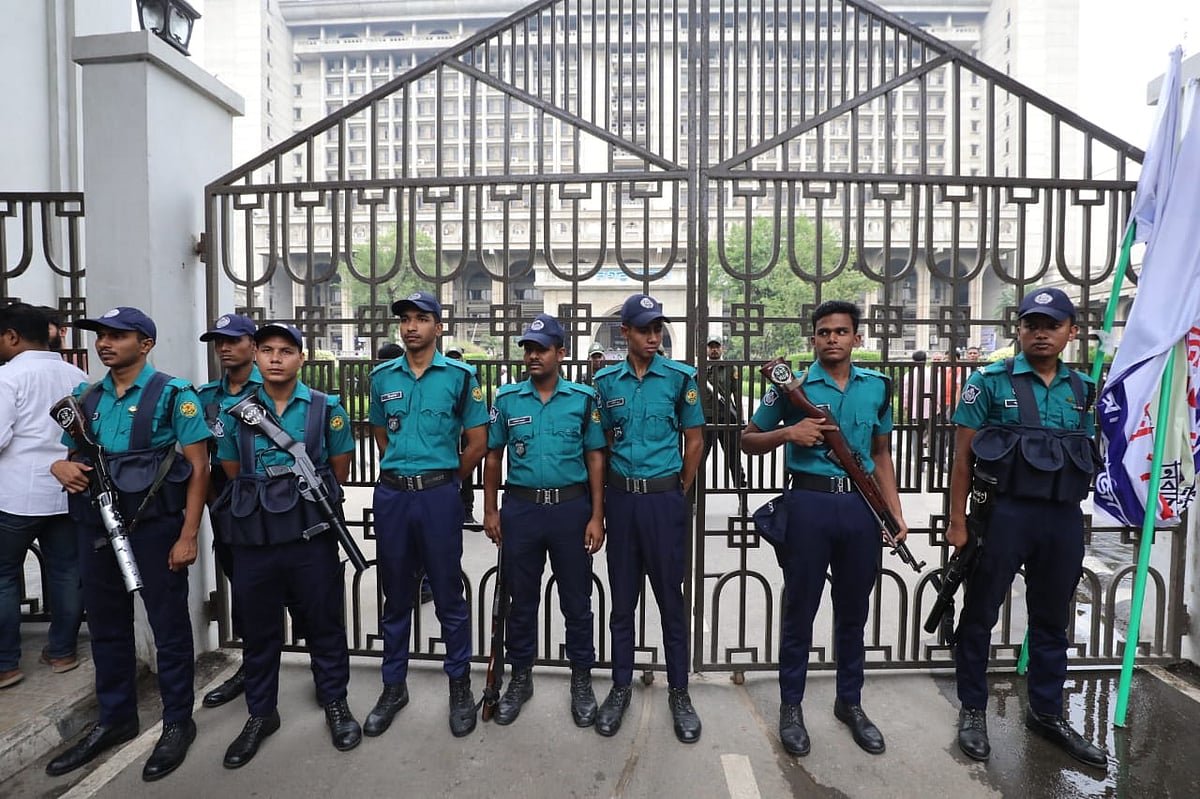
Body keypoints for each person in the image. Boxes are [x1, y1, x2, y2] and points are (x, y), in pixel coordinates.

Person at [46, 306, 210, 782]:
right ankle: (116, 718)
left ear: (145, 344)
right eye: (101, 335)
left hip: (156, 527)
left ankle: (178, 720)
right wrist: (61, 466)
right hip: (96, 526)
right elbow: (71, 454)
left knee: (169, 629)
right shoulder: (86, 396)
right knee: (106, 627)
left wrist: (188, 536)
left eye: (118, 335)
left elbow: (198, 468)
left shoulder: (174, 395)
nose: (105, 343)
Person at [741, 300, 907, 758]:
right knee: (800, 611)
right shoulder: (791, 388)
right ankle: (790, 706)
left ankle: (849, 702)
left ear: (858, 338)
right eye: (823, 332)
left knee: (853, 612)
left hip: (859, 506)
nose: (832, 338)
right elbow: (748, 438)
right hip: (809, 504)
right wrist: (787, 435)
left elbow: (881, 455)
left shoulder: (877, 388)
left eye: (841, 331)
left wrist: (893, 513)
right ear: (813, 338)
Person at [947, 287, 1105, 768]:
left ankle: (1046, 711)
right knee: (979, 614)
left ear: (1070, 333)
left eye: (1052, 325)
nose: (1041, 332)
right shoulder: (990, 383)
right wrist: (957, 522)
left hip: (1060, 519)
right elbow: (962, 459)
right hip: (1003, 515)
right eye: (1032, 324)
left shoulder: (1082, 390)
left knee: (1052, 618)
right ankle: (973, 710)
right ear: (1019, 330)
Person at [212, 323, 360, 767]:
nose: (276, 358)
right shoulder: (234, 410)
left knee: (324, 625)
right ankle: (261, 713)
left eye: (287, 351)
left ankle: (335, 702)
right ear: (255, 356)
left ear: (302, 358)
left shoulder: (325, 409)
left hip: (310, 539)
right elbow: (234, 471)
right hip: (255, 541)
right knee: (259, 632)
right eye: (268, 350)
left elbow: (340, 469)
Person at [366, 292, 489, 738]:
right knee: (396, 596)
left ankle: (459, 683)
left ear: (439, 326)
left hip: (439, 496)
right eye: (405, 320)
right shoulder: (382, 378)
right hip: (395, 497)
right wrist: (404, 472)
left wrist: (444, 479)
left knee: (448, 595)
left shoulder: (460, 376)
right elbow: (382, 435)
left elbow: (477, 441)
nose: (411, 327)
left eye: (421, 319)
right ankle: (393, 686)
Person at [482, 313, 606, 727]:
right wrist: (490, 509)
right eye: (528, 349)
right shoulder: (507, 399)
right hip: (522, 509)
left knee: (577, 601)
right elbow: (494, 456)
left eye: (541, 349)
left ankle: (582, 679)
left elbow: (594, 457)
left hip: (571, 510)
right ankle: (521, 677)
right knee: (522, 602)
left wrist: (597, 515)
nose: (533, 356)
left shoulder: (582, 399)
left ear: (561, 353)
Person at [591, 294, 704, 744]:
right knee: (622, 600)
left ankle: (680, 691)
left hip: (662, 501)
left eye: (658, 328)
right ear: (626, 333)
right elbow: (598, 448)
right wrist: (599, 512)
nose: (653, 337)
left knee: (669, 601)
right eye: (644, 329)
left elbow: (694, 440)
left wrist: (679, 490)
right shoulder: (604, 383)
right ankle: (621, 686)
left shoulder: (680, 379)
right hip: (621, 501)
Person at [0, 303, 86, 689]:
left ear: (12, 336)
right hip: (67, 491)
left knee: (3, 577)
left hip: (16, 495)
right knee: (66, 571)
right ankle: (63, 651)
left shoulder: (8, 377)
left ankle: (6, 664)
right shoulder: (76, 374)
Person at [195, 313, 263, 710]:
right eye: (218, 341)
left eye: (233, 340)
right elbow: (197, 457)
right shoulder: (206, 398)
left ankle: (324, 665)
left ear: (252, 345)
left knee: (295, 587)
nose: (224, 347)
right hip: (226, 500)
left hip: (271, 499)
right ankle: (251, 665)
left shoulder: (271, 389)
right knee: (243, 583)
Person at [700, 337, 747, 489]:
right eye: (711, 346)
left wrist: (741, 421)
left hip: (727, 420)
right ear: (706, 349)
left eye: (717, 346)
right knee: (698, 460)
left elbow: (737, 395)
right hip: (705, 420)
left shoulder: (730, 368)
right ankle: (693, 500)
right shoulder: (699, 368)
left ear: (722, 349)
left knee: (734, 460)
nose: (714, 349)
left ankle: (742, 498)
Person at [445, 345, 477, 524]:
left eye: (457, 357)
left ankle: (467, 510)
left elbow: (474, 409)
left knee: (466, 474)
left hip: (465, 434)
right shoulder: (439, 378)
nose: (454, 360)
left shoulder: (467, 378)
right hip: (448, 435)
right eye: (451, 357)